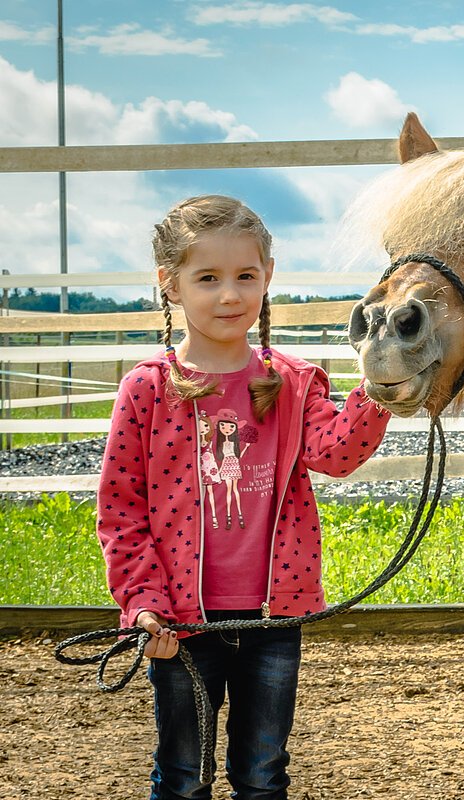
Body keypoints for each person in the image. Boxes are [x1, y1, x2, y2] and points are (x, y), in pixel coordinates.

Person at [96, 194, 392, 798]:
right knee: (183, 777)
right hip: (179, 621)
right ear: (170, 283)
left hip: (273, 618)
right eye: (208, 278)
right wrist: (143, 602)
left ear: (268, 276)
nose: (229, 295)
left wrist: (382, 381)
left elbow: (337, 453)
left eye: (245, 276)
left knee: (262, 775)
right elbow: (121, 510)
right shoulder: (147, 390)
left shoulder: (291, 383)